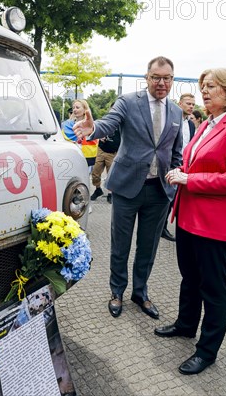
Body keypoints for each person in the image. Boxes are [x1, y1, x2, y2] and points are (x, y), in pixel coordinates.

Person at [154, 68, 226, 375]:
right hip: (188, 217)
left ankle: (207, 350)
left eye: (212, 86)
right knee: (189, 277)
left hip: (213, 224)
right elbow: (196, 163)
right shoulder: (207, 124)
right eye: (203, 87)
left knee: (213, 288)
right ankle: (186, 325)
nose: (205, 91)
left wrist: (191, 179)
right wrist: (181, 172)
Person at [73, 56, 183, 320]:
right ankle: (117, 291)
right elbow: (108, 124)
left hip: (159, 191)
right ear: (146, 78)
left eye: (167, 78)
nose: (161, 82)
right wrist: (93, 128)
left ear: (172, 80)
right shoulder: (128, 102)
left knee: (149, 247)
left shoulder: (177, 111)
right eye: (156, 77)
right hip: (126, 188)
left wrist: (175, 175)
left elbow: (175, 150)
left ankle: (140, 292)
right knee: (120, 245)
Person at [161, 93, 197, 242]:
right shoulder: (170, 121)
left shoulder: (190, 124)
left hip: (185, 166)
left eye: (193, 104)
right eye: (188, 103)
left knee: (178, 199)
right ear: (180, 104)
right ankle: (161, 227)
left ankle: (175, 227)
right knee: (167, 198)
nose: (191, 107)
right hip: (170, 164)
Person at [90, 115, 121, 204]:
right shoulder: (106, 120)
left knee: (111, 174)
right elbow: (97, 129)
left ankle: (110, 194)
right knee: (95, 172)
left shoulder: (122, 124)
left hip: (113, 152)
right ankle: (98, 189)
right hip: (101, 150)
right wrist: (100, 136)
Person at [62, 99, 98, 168]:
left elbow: (94, 140)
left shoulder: (91, 125)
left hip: (86, 159)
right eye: (73, 108)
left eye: (77, 107)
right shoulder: (66, 125)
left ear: (85, 110)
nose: (74, 110)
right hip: (70, 158)